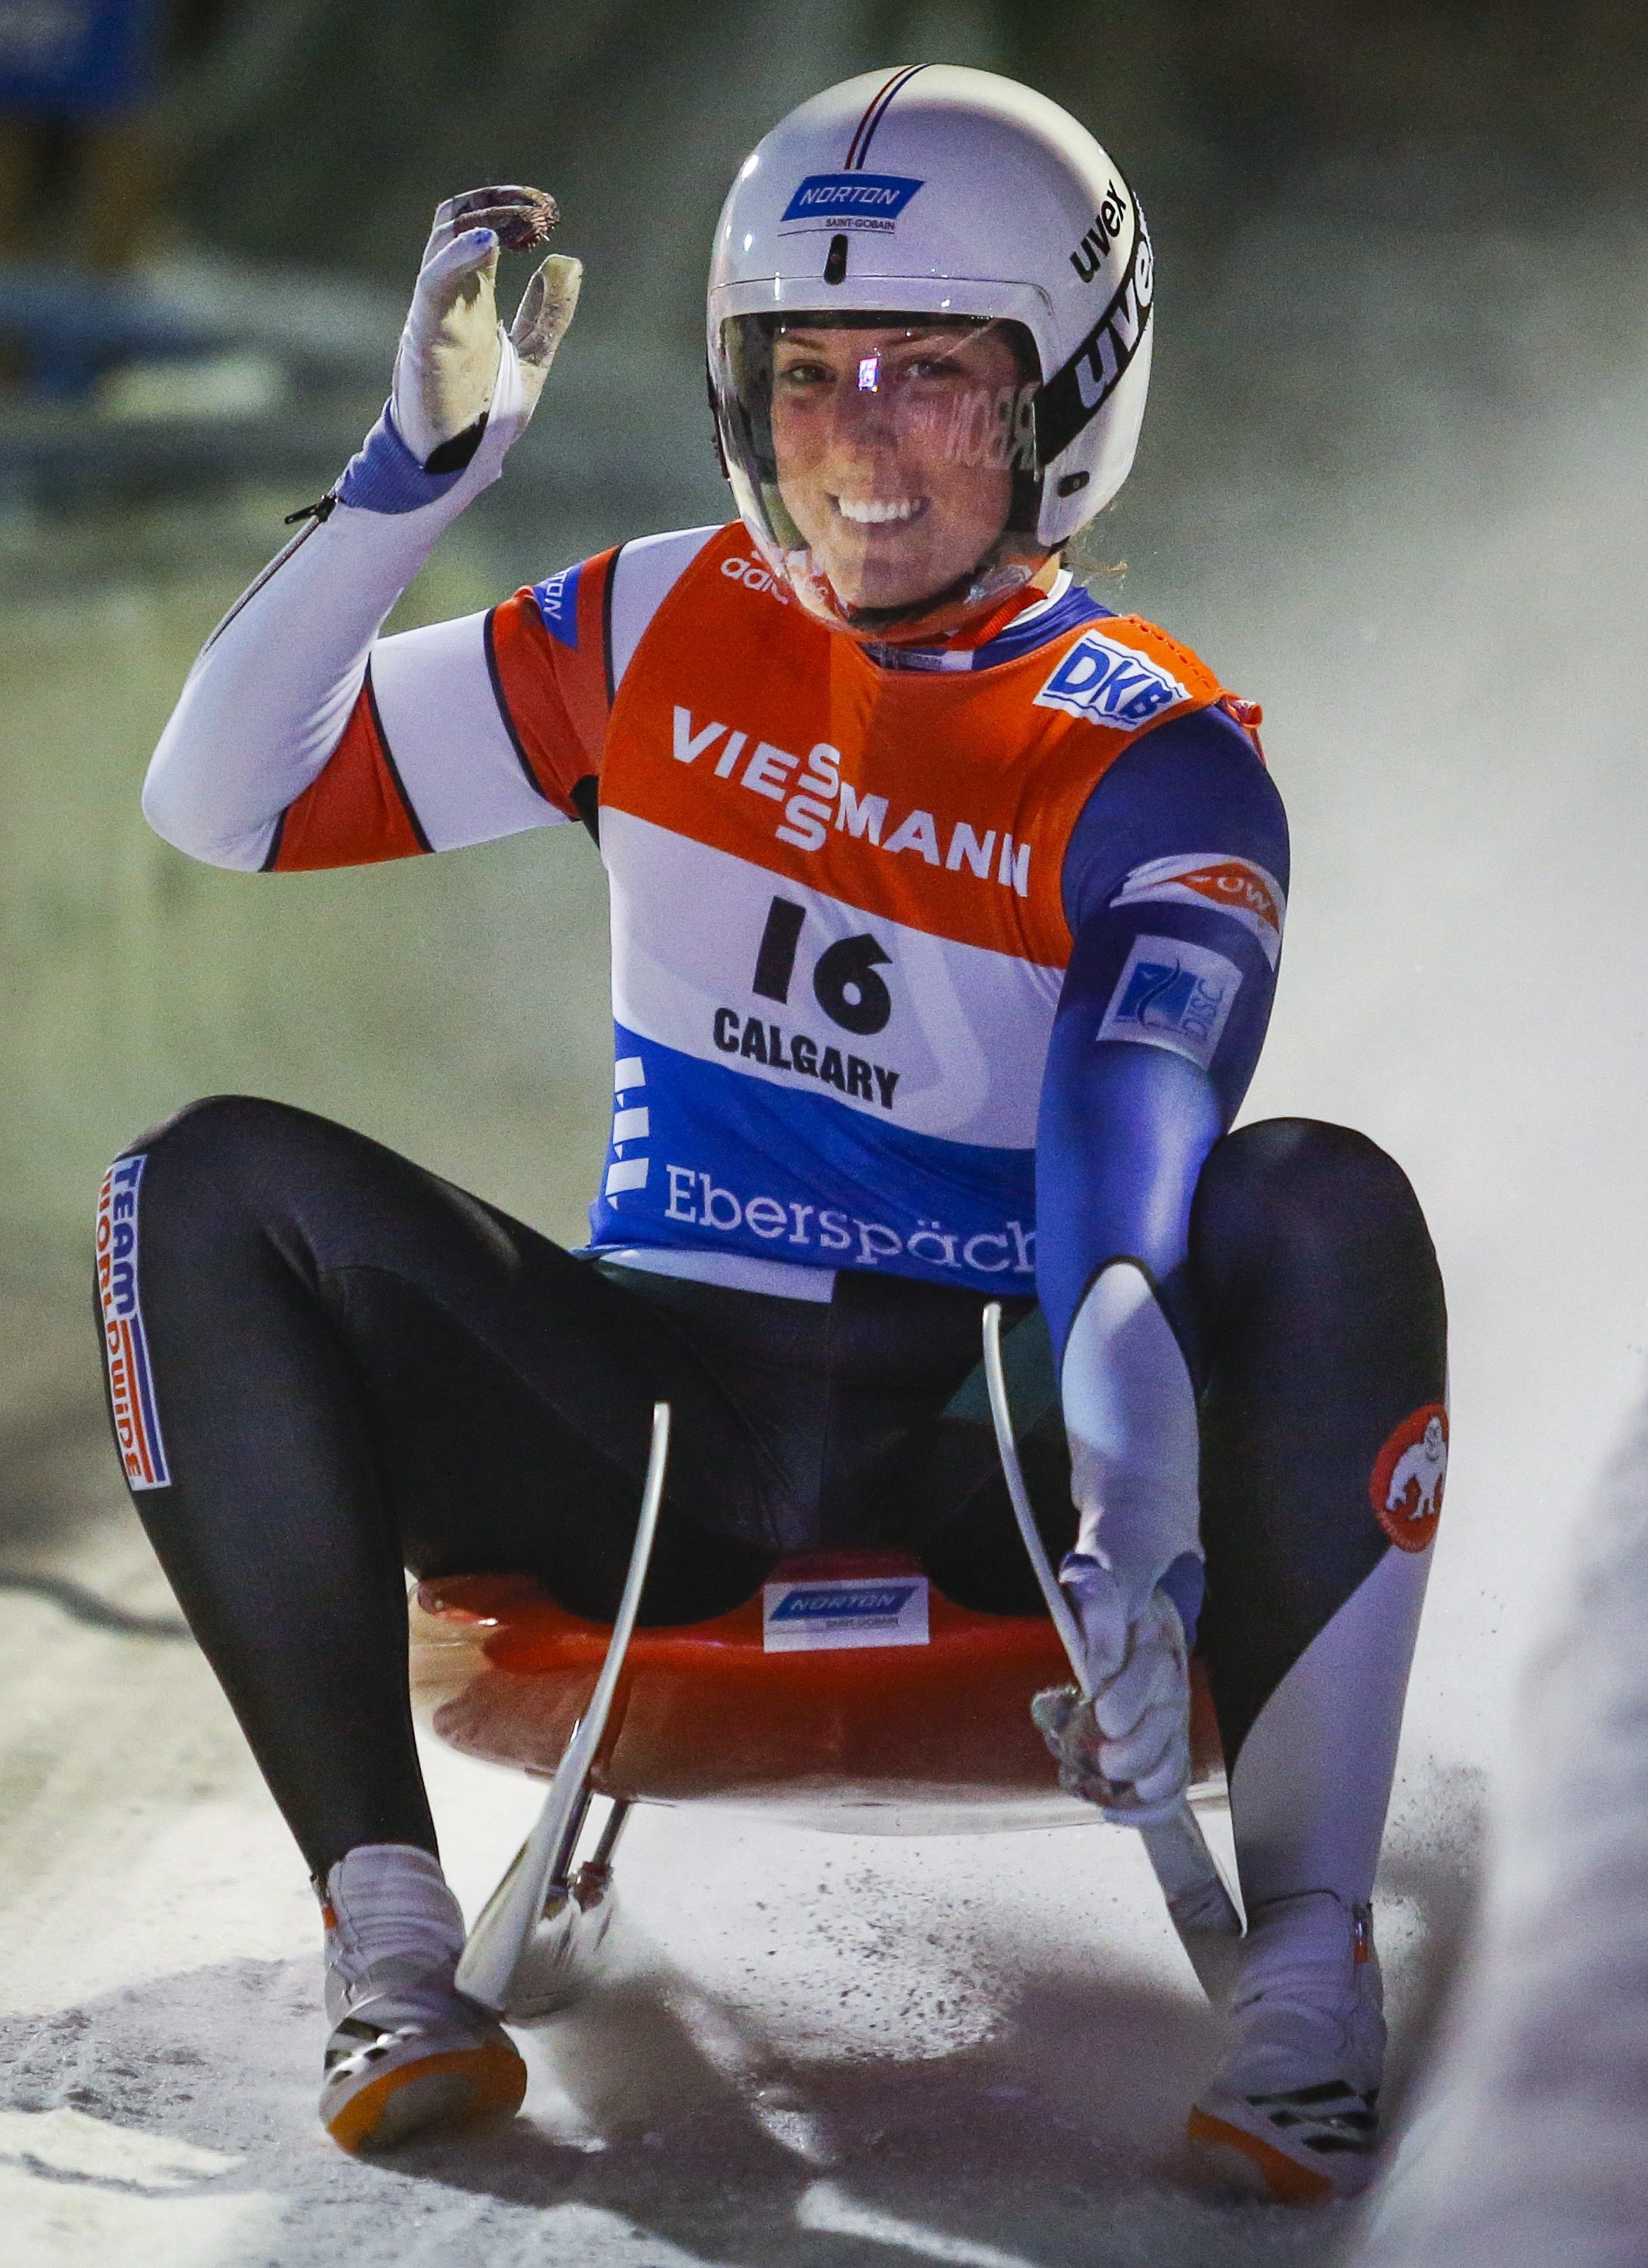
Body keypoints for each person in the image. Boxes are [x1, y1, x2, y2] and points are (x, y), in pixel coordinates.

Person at [104, 66, 1447, 2195]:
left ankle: (1301, 1970)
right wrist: (412, 475)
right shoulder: (651, 621)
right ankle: (385, 1937)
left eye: (931, 375)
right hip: (659, 1431)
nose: (855, 441)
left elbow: (1131, 1168)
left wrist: (1133, 1516)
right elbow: (225, 805)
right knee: (199, 1184)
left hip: (990, 1444)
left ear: (1065, 403)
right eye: (804, 373)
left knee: (1316, 1202)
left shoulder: (1160, 758)